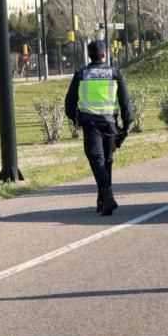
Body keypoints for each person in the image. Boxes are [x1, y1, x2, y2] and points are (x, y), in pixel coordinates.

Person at [65, 40, 132, 216]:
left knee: (98, 161)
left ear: (90, 55)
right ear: (104, 54)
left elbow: (69, 104)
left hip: (90, 124)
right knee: (105, 161)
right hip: (110, 123)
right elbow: (125, 103)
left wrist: (76, 119)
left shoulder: (81, 74)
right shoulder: (115, 73)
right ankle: (104, 199)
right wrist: (126, 126)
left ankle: (105, 198)